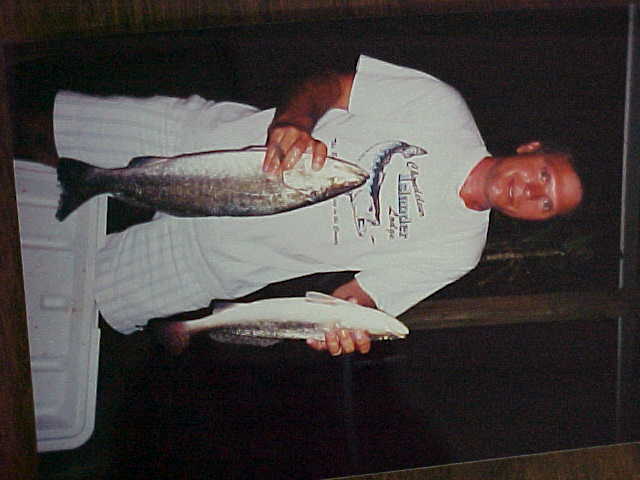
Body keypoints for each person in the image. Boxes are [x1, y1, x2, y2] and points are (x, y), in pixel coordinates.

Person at [13, 55, 582, 356]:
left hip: (216, 261)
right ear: (530, 149)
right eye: (544, 176)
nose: (534, 193)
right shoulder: (442, 107)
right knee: (44, 135)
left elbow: (357, 299)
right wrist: (293, 121)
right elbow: (327, 83)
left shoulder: (460, 250)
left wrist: (341, 327)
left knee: (61, 301)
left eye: (547, 204)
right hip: (208, 147)